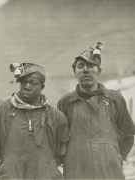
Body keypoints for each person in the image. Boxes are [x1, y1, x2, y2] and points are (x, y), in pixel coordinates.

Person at [0, 63, 70, 180]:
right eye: (23, 82)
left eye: (33, 83)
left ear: (42, 87)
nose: (27, 86)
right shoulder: (1, 108)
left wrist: (47, 168)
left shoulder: (56, 116)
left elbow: (62, 150)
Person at [57, 42, 135, 179]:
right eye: (80, 66)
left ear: (99, 71)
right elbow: (58, 138)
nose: (86, 70)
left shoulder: (115, 99)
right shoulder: (65, 102)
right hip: (76, 170)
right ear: (75, 72)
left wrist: (120, 157)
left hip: (109, 170)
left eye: (91, 66)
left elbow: (128, 133)